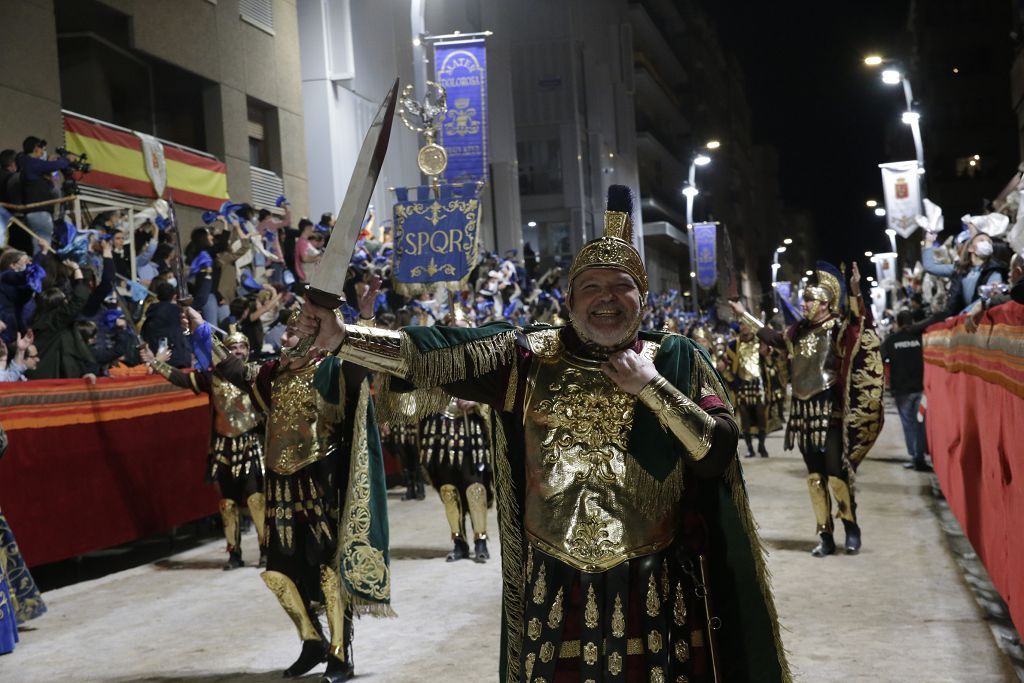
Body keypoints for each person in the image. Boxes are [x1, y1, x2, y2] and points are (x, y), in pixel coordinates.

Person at [305, 186, 790, 682]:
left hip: (654, 579)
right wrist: (345, 338)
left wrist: (652, 387)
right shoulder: (529, 359)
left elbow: (715, 454)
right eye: (591, 286)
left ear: (641, 298)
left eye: (620, 285)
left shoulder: (676, 358)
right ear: (569, 299)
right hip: (555, 583)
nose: (606, 297)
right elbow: (436, 350)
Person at [204, 299, 392, 683]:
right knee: (279, 573)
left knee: (327, 571)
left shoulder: (332, 370)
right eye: (286, 332)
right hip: (281, 488)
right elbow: (238, 370)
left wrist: (366, 318)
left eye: (292, 332)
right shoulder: (274, 373)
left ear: (313, 339)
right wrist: (202, 330)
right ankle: (312, 641)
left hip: (320, 486)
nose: (284, 338)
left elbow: (361, 368)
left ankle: (341, 654)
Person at [730, 262, 884, 558]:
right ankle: (825, 534)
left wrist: (854, 291)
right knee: (814, 477)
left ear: (825, 304)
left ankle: (851, 528)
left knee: (836, 474)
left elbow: (857, 324)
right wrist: (741, 313)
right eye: (805, 300)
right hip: (803, 413)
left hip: (829, 410)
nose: (804, 304)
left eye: (810, 300)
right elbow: (771, 338)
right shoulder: (796, 332)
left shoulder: (837, 328)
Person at [142, 329, 268, 569]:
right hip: (222, 447)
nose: (237, 351)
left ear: (249, 351)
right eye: (232, 348)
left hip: (250, 444)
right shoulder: (212, 378)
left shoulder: (254, 374)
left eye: (242, 347)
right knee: (227, 504)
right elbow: (181, 378)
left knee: (255, 499)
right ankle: (234, 554)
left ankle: (266, 550)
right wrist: (155, 364)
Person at [419, 395, 492, 562]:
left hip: (472, 429)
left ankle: (480, 541)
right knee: (448, 489)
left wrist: (477, 400)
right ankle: (459, 542)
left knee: (476, 488)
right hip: (439, 430)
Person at [880, 310, 931, 472]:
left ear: (898, 323)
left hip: (901, 390)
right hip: (921, 387)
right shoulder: (921, 337)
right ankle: (919, 457)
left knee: (908, 424)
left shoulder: (891, 340)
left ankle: (915, 456)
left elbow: (879, 358)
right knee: (920, 423)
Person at [723, 321, 771, 458]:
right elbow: (727, 365)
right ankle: (750, 448)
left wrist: (766, 352)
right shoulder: (733, 345)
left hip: (758, 384)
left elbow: (770, 357)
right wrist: (732, 381)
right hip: (742, 385)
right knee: (745, 418)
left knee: (761, 415)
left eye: (746, 324)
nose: (744, 327)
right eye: (742, 325)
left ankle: (762, 445)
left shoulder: (760, 342)